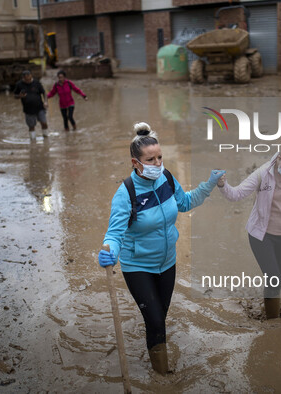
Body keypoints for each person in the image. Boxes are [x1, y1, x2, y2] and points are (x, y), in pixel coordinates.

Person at [98, 122, 225, 374]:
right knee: (155, 320)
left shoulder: (166, 178)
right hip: (138, 266)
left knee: (160, 317)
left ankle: (157, 355)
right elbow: (115, 233)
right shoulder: (126, 193)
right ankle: (162, 375)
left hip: (167, 262)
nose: (157, 163)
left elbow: (185, 203)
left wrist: (209, 184)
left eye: (159, 157)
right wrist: (110, 249)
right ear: (136, 162)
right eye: (151, 159)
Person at [217, 143, 281, 319]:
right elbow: (236, 194)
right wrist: (222, 184)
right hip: (261, 236)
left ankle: (272, 308)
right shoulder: (263, 174)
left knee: (277, 280)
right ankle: (273, 322)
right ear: (280, 158)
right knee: (273, 278)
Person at [13, 70, 49, 140]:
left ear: (31, 76)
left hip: (40, 107)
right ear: (23, 78)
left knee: (44, 123)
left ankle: (46, 138)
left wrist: (45, 102)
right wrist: (20, 96)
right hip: (28, 109)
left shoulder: (37, 83)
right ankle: (33, 141)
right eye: (25, 79)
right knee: (31, 126)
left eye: (28, 78)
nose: (27, 80)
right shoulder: (19, 84)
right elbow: (15, 95)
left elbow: (44, 93)